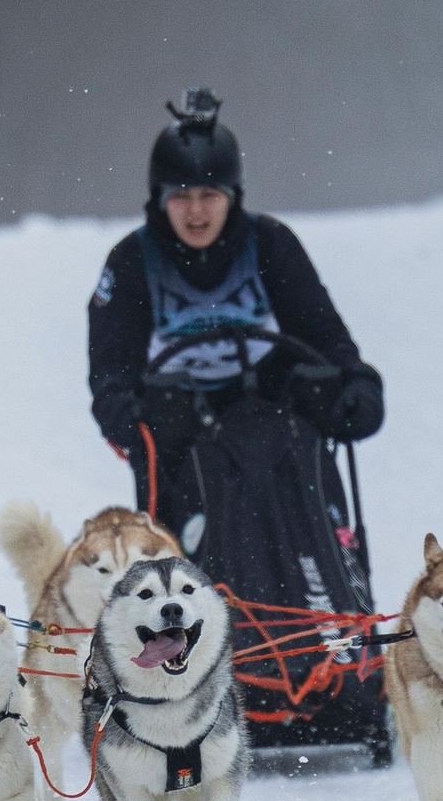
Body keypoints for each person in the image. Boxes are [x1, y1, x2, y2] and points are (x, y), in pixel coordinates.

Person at [86, 89, 384, 539]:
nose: (197, 211)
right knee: (163, 423)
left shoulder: (269, 244)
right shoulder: (131, 262)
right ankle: (184, 557)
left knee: (307, 390)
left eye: (210, 194)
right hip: (179, 423)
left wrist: (357, 381)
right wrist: (120, 408)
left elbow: (321, 332)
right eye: (181, 196)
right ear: (160, 199)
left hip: (268, 405)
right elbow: (112, 363)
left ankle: (331, 549)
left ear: (232, 195)